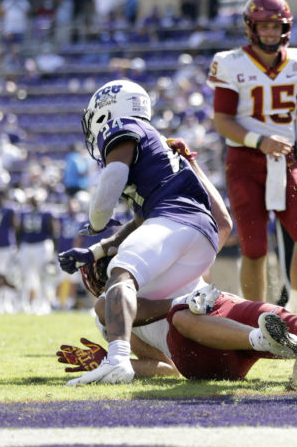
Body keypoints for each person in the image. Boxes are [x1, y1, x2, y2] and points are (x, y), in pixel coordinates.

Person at [56, 84, 229, 385]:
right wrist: (98, 250)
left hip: (177, 224)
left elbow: (111, 180)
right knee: (120, 280)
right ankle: (120, 355)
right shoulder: (161, 157)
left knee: (119, 275)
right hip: (201, 238)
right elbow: (221, 222)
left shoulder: (124, 127)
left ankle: (117, 358)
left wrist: (97, 223)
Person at [58, 280, 297, 385]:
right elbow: (166, 367)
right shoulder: (114, 298)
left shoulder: (173, 236)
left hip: (222, 308)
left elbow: (220, 223)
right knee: (182, 315)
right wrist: (114, 359)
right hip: (194, 344)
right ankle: (266, 340)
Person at [209, 0, 297, 319]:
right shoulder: (231, 64)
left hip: (285, 161)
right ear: (251, 28)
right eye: (265, 26)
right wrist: (259, 141)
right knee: (255, 248)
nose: (271, 33)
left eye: (277, 26)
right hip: (244, 163)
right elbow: (223, 122)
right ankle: (255, 319)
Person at [17, 190, 57, 314]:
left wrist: (54, 250)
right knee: (24, 276)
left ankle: (43, 304)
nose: (35, 201)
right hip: (26, 245)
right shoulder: (24, 213)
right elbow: (19, 231)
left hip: (42, 245)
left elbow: (53, 231)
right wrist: (18, 247)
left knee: (43, 276)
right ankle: (24, 303)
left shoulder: (47, 213)